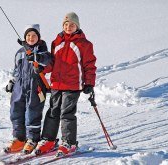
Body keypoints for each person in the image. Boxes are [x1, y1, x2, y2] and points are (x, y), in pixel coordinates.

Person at [34, 12, 97, 156]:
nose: (69, 27)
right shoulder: (57, 41)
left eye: (72, 25)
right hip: (57, 83)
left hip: (73, 85)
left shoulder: (84, 44)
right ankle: (48, 140)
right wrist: (43, 68)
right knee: (53, 111)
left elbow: (89, 65)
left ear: (77, 26)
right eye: (66, 24)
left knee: (66, 114)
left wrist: (89, 83)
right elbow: (53, 63)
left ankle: (69, 142)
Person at [4, 24, 52, 154]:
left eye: (34, 35)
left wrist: (36, 57)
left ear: (39, 37)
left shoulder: (42, 51)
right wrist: (12, 81)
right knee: (16, 110)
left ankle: (32, 139)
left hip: (35, 86)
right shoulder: (20, 52)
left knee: (33, 111)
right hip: (20, 85)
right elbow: (16, 70)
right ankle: (19, 138)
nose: (31, 38)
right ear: (25, 37)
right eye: (28, 35)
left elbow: (47, 61)